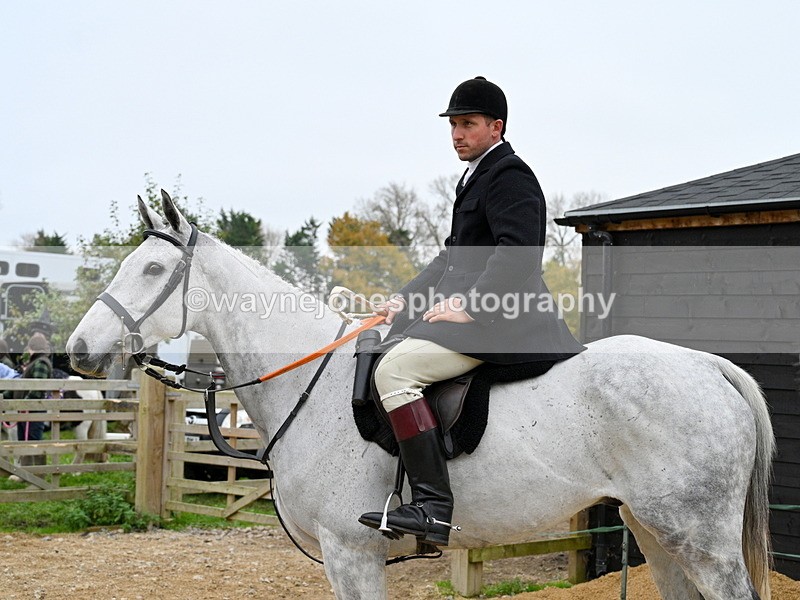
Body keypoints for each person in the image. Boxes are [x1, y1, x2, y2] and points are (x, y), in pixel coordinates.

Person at [358, 77, 585, 546]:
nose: (457, 133)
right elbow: (450, 259)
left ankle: (433, 508)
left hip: (507, 322)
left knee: (393, 373)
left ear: (495, 126)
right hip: (472, 314)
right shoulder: (475, 177)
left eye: (468, 124)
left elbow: (519, 253)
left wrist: (474, 307)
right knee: (394, 348)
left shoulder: (509, 175)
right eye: (454, 124)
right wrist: (403, 300)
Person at [15, 332, 53, 468]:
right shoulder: (35, 363)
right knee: (24, 440)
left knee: (34, 441)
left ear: (32, 348)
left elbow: (37, 390)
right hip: (27, 409)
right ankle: (25, 472)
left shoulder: (40, 363)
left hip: (33, 410)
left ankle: (38, 475)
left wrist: (23, 403)